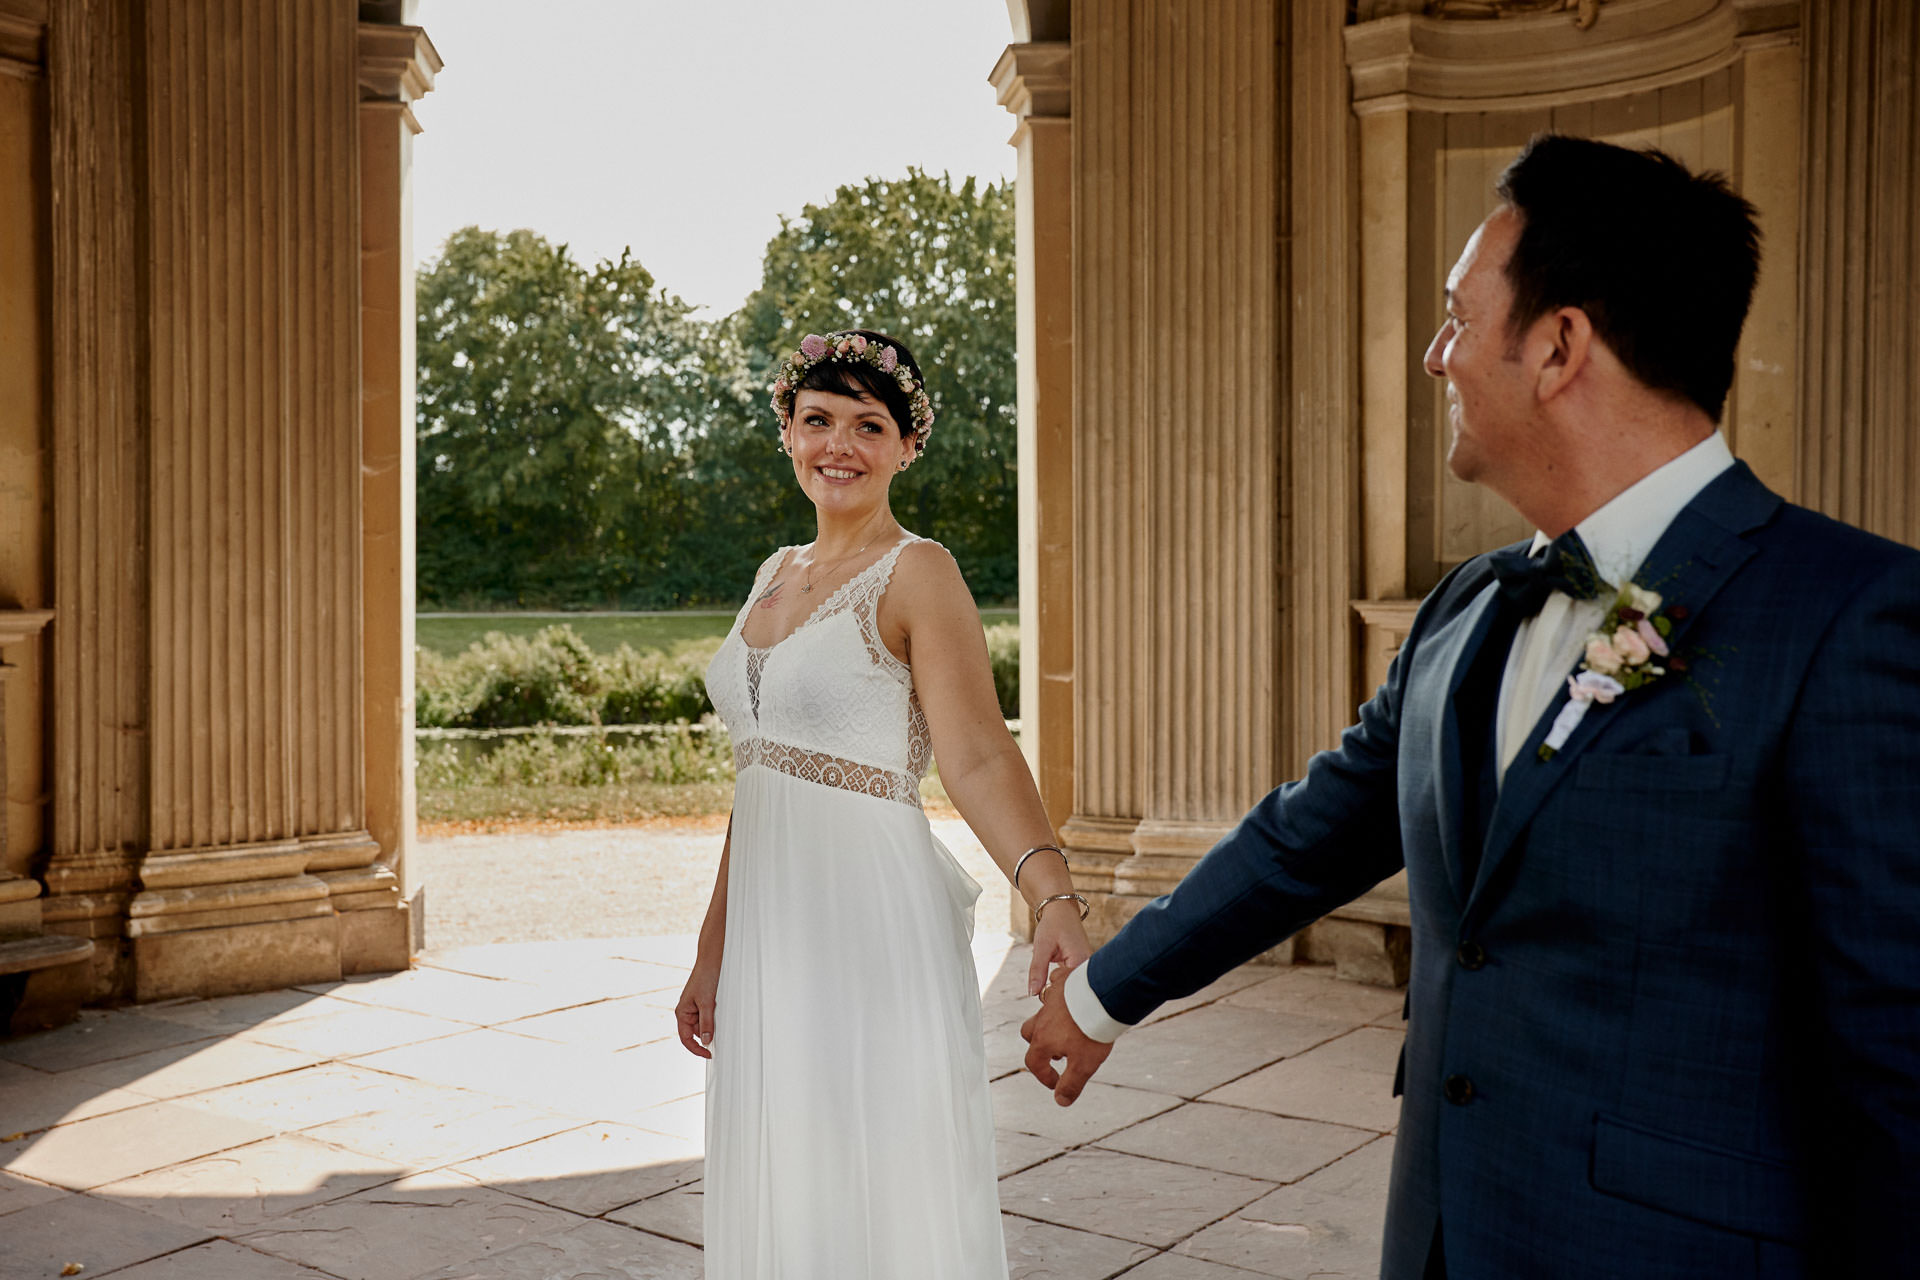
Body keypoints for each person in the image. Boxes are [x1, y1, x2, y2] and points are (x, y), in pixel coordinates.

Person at [1021, 134, 1920, 1277]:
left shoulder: (1852, 616)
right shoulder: (1464, 610)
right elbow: (1312, 832)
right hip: (1446, 1231)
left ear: (1558, 345)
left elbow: (1900, 1061)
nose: (1438, 357)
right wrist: (1104, 992)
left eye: (1455, 317)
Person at [676, 328, 1091, 1278]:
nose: (840, 446)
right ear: (786, 431)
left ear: (906, 447)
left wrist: (1053, 897)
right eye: (818, 420)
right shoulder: (770, 574)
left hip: (869, 920)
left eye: (870, 425)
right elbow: (762, 776)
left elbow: (980, 756)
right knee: (786, 1162)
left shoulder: (919, 571)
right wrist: (713, 952)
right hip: (771, 932)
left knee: (873, 1162)